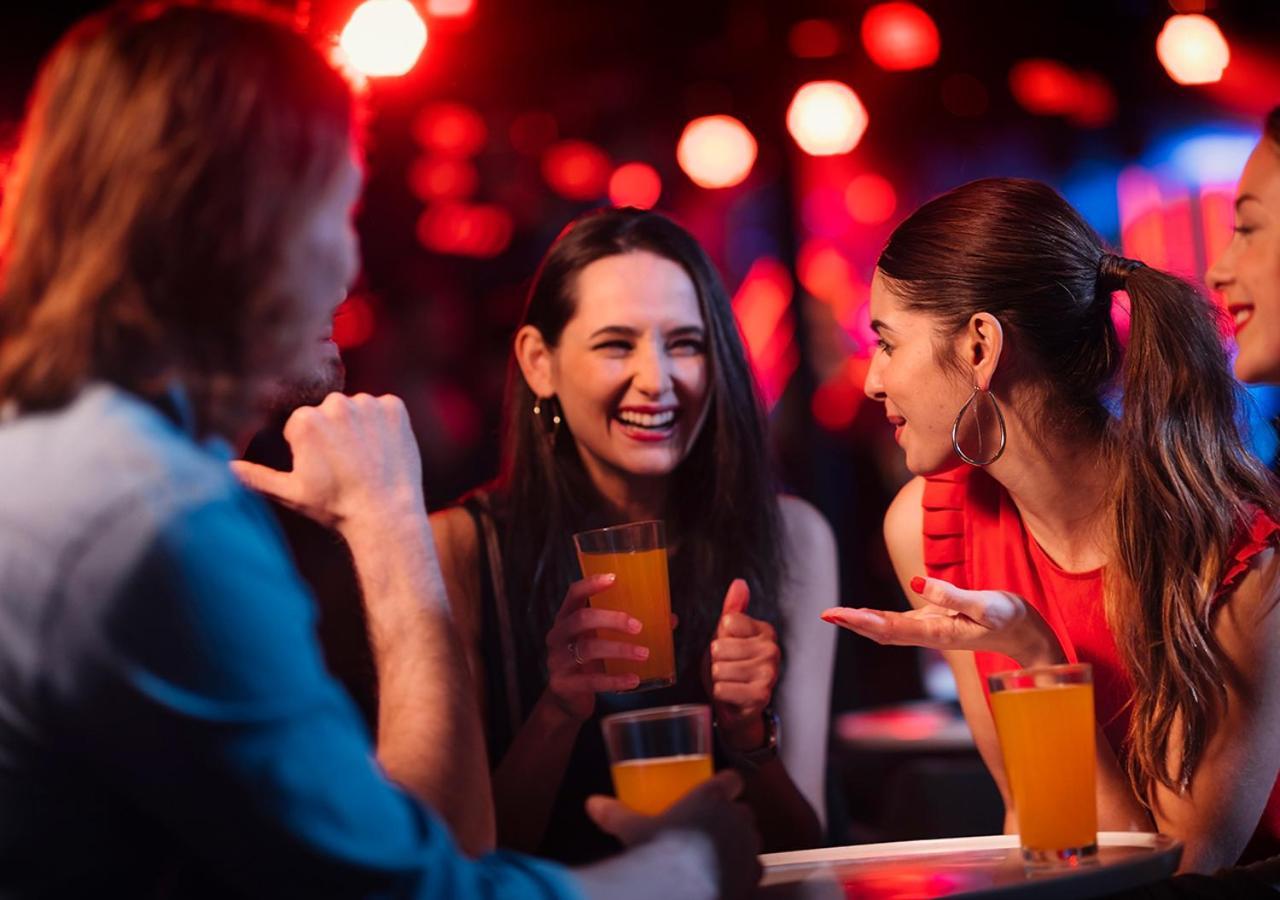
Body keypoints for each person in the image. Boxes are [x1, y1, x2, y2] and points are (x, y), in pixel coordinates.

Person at [0, 4, 761, 898]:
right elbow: (408, 889)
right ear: (238, 228)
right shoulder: (154, 519)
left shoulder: (64, 456)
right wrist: (689, 862)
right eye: (335, 206)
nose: (347, 261)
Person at [820, 177, 1280, 874]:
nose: (871, 382)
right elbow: (1040, 823)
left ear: (979, 347)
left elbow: (1179, 876)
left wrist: (1039, 664)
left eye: (888, 343)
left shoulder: (1228, 548)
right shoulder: (927, 524)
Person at [429, 207, 838, 861]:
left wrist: (747, 735)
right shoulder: (460, 548)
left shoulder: (793, 537)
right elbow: (456, 860)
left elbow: (804, 845)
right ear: (540, 363)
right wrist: (559, 710)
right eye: (616, 344)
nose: (657, 379)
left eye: (685, 344)